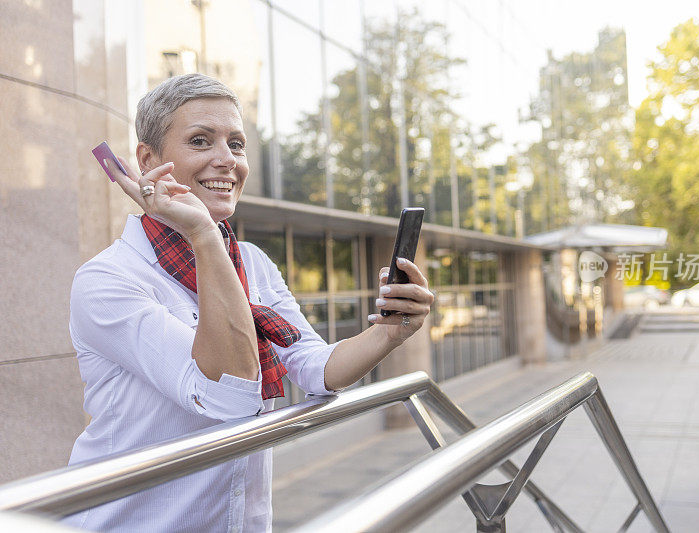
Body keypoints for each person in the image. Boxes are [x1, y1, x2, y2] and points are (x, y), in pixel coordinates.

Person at [63, 73, 433, 532]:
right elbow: (229, 394)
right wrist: (202, 234)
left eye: (236, 145)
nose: (226, 160)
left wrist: (388, 331)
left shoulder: (252, 262)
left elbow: (314, 367)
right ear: (147, 159)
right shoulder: (108, 281)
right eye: (201, 141)